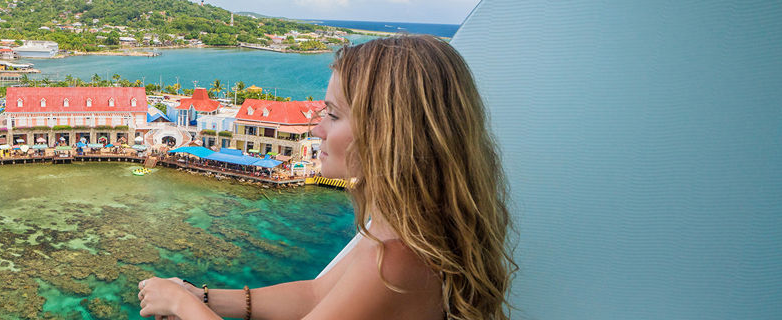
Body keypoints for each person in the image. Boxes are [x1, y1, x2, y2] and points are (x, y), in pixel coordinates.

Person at [137, 35, 517, 320]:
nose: (317, 130)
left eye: (333, 115)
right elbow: (317, 295)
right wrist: (203, 296)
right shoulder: (406, 226)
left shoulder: (399, 255)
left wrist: (181, 304)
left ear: (386, 133)